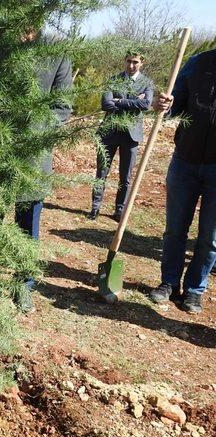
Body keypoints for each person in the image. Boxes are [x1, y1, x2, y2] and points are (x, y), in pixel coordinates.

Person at [149, 48, 216, 314]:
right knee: (175, 229)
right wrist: (165, 105)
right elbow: (176, 103)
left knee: (210, 238)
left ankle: (194, 290)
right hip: (185, 161)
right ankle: (169, 282)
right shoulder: (198, 63)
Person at [13, 29, 72, 312]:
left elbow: (62, 107)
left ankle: (23, 283)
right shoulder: (0, 43)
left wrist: (32, 129)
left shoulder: (56, 52)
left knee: (27, 222)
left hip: (33, 154)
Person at [89, 52, 153, 221]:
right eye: (129, 62)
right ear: (124, 61)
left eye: (135, 62)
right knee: (101, 172)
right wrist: (133, 103)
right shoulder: (113, 80)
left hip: (131, 136)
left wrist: (118, 101)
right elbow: (106, 104)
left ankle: (119, 210)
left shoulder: (146, 83)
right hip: (109, 133)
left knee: (126, 176)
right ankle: (95, 207)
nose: (131, 65)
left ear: (142, 62)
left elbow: (146, 104)